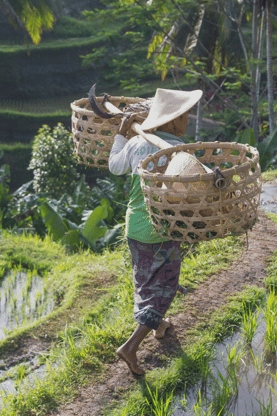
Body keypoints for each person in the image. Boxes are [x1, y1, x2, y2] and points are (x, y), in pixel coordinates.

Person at [108, 87, 203, 375]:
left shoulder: (138, 144)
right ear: (172, 121)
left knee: (145, 281)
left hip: (135, 225)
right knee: (165, 289)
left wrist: (122, 135)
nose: (187, 120)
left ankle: (159, 325)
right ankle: (130, 346)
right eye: (184, 115)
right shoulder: (180, 153)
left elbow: (114, 166)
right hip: (162, 229)